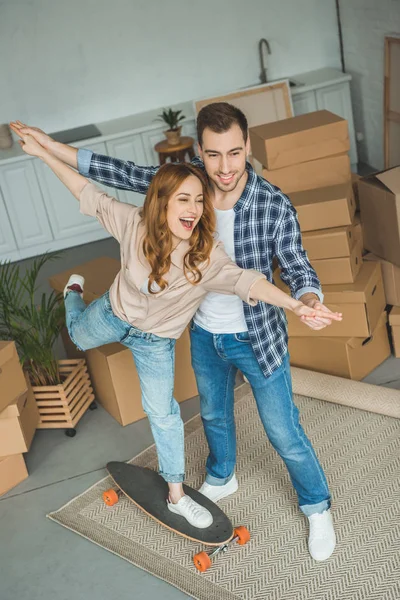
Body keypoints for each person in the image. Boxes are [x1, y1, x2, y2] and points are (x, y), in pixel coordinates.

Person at [13, 124, 341, 533]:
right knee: (79, 335)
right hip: (115, 314)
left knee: (178, 417)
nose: (194, 206)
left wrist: (297, 302)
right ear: (163, 200)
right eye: (184, 199)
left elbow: (246, 279)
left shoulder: (208, 254)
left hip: (167, 342)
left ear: (246, 150)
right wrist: (44, 151)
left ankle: (193, 496)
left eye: (199, 202)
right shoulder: (134, 222)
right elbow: (89, 189)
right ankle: (73, 292)